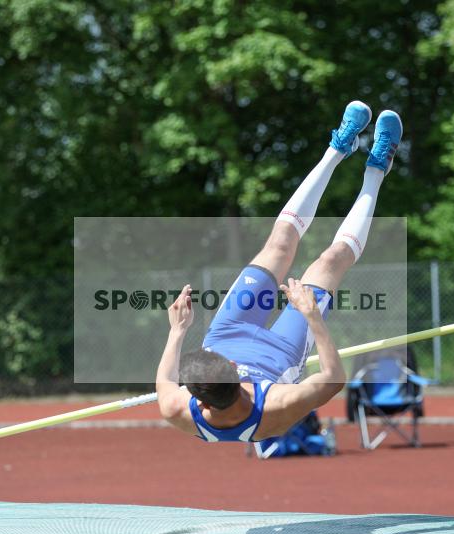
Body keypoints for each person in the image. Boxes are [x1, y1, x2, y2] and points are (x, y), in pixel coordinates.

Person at [155, 101, 402, 442]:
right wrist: (312, 315)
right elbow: (332, 377)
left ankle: (337, 148)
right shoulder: (275, 407)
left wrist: (178, 332)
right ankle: (377, 170)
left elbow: (165, 385)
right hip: (282, 353)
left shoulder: (176, 407)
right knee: (331, 260)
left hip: (228, 331)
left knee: (280, 244)